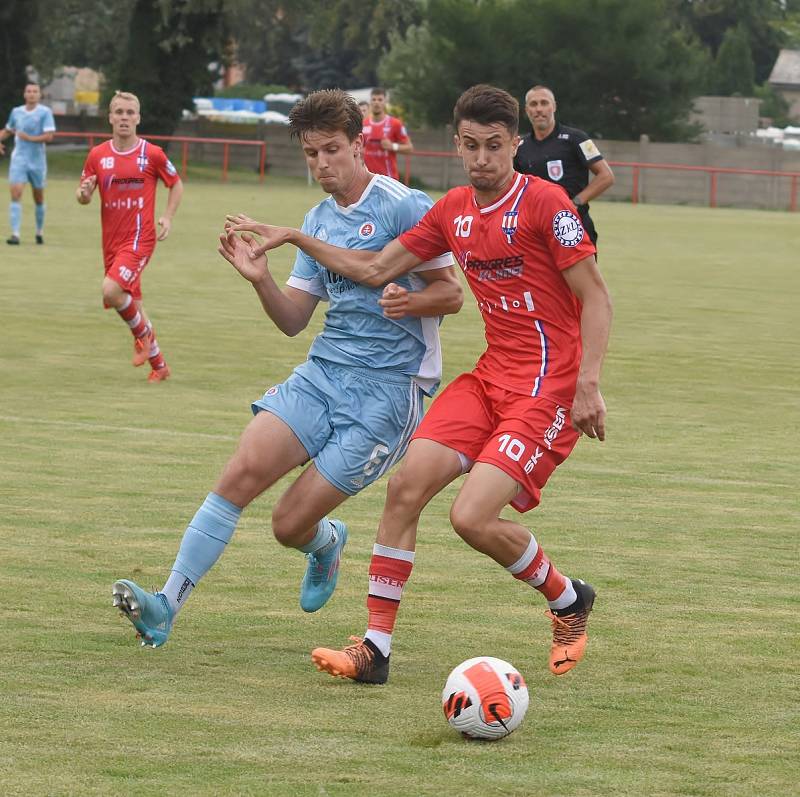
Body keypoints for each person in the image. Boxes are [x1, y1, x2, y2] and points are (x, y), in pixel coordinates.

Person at [230, 84, 612, 685]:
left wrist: (588, 382)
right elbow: (373, 268)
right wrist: (297, 237)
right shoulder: (452, 209)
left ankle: (568, 599)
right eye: (470, 146)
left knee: (470, 518)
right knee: (405, 486)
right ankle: (375, 650)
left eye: (494, 146)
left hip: (547, 387)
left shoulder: (548, 205)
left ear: (515, 144)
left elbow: (596, 296)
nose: (482, 158)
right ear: (456, 145)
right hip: (489, 378)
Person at [110, 88, 462, 649]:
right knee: (240, 471)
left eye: (332, 150)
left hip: (389, 395)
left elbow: (452, 295)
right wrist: (261, 280)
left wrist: (410, 301)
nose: (322, 164)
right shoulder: (317, 217)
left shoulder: (405, 206)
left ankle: (324, 543)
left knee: (286, 525)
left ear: (358, 143)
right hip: (323, 372)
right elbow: (295, 320)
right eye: (311, 153)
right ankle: (164, 606)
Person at [76, 91, 183, 382]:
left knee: (111, 290)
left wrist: (167, 217)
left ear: (138, 118)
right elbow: (83, 194)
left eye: (130, 112)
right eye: (119, 112)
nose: (124, 117)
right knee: (131, 302)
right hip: (110, 242)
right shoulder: (98, 155)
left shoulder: (152, 154)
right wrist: (83, 194)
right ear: (110, 117)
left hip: (139, 238)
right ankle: (160, 367)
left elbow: (176, 184)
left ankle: (142, 338)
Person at [513, 85, 614, 248]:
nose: (539, 109)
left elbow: (606, 176)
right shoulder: (520, 146)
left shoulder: (576, 138)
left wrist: (575, 203)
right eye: (533, 104)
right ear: (526, 110)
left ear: (554, 106)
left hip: (573, 226)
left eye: (544, 103)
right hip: (535, 231)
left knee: (583, 275)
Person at [0, 83, 56, 245]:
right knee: (16, 193)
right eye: (29, 91)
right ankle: (15, 234)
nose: (32, 94)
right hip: (19, 160)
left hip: (37, 162)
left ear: (39, 95)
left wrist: (28, 138)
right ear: (24, 94)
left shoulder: (45, 113)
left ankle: (39, 232)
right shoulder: (16, 112)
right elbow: (8, 130)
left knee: (38, 198)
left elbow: (49, 136)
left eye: (35, 91)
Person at [362, 87, 413, 181]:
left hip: (389, 180)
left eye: (380, 99)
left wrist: (392, 146)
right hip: (368, 180)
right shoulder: (363, 124)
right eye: (374, 99)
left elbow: (409, 148)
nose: (377, 102)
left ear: (385, 102)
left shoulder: (395, 124)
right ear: (370, 102)